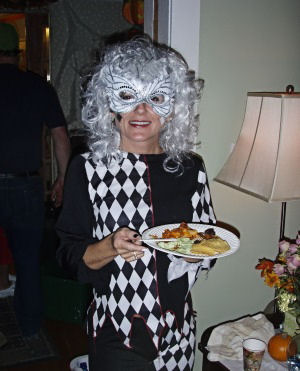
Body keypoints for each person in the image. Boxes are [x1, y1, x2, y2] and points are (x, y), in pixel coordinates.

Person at [56, 37, 216, 371]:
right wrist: (111, 246)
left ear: (172, 110)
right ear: (109, 106)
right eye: (127, 97)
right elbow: (69, 256)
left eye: (155, 98)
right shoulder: (87, 169)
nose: (141, 110)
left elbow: (208, 245)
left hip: (179, 331)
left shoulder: (190, 169)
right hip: (117, 331)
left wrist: (196, 251)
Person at [0, 22, 71, 338]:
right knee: (28, 262)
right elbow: (60, 135)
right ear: (18, 52)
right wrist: (63, 179)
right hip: (25, 186)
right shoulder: (37, 86)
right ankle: (29, 329)